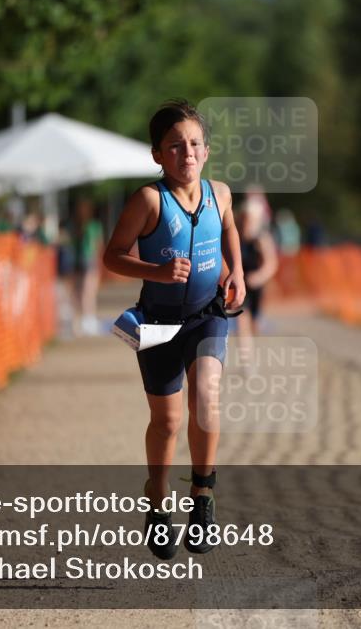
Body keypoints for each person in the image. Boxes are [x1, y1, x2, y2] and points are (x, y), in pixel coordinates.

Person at [103, 99, 245, 560]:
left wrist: (237, 272)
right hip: (158, 321)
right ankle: (159, 501)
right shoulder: (148, 201)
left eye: (194, 144)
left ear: (206, 152)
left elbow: (228, 230)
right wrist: (158, 273)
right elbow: (112, 255)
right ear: (157, 155)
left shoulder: (220, 193)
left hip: (207, 314)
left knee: (206, 397)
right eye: (175, 146)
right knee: (166, 421)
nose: (187, 152)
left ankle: (202, 496)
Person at [237, 196, 279, 336]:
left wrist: (259, 277)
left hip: (257, 285)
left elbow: (271, 264)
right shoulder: (235, 237)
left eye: (249, 219)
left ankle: (254, 339)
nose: (246, 223)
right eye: (244, 218)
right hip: (241, 282)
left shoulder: (262, 239)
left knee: (255, 323)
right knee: (242, 316)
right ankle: (245, 352)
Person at [70, 197, 103, 336]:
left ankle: (86, 319)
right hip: (85, 260)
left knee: (84, 291)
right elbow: (98, 244)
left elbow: (97, 244)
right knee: (85, 292)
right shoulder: (84, 226)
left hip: (85, 260)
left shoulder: (88, 226)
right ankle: (86, 319)